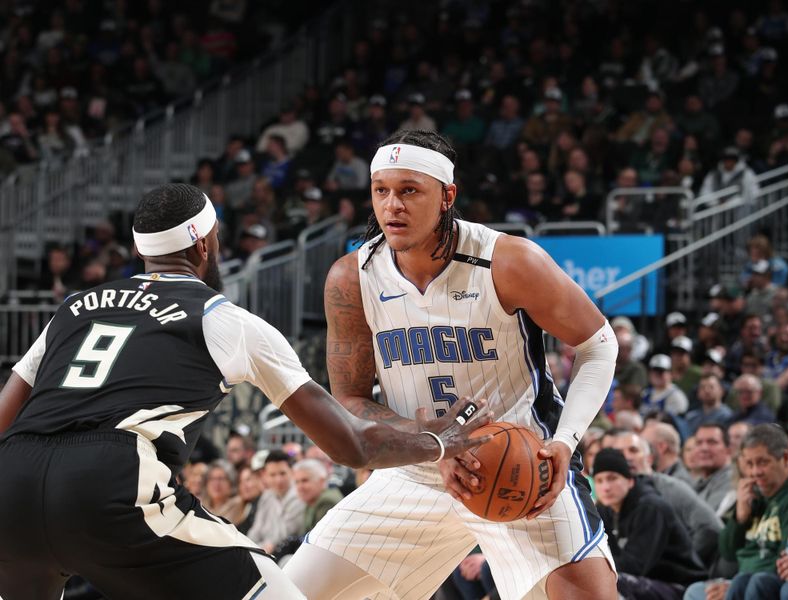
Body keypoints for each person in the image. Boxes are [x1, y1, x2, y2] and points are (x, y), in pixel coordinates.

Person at [0, 183, 491, 600]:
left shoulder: (73, 307)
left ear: (142, 252)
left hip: (12, 482)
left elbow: (5, 416)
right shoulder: (224, 319)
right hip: (110, 479)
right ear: (204, 246)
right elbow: (350, 446)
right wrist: (437, 440)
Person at [284, 130, 620, 600]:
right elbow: (350, 398)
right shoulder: (351, 278)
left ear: (447, 196)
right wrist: (428, 445)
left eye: (409, 190)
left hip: (521, 463)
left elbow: (599, 344)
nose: (392, 205)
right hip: (415, 471)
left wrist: (565, 441)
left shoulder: (509, 261)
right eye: (381, 190)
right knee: (288, 594)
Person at [683, 424, 788, 600]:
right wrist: (740, 518)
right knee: (696, 592)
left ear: (784, 458)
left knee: (754, 583)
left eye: (763, 462)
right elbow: (727, 551)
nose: (755, 472)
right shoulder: (754, 494)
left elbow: (784, 562)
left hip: (765, 582)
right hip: (742, 579)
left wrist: (733, 586)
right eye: (749, 464)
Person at [593, 448, 705, 600]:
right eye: (599, 481)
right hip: (646, 581)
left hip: (680, 586)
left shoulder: (651, 508)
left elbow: (634, 566)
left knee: (612, 581)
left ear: (630, 481)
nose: (605, 487)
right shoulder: (604, 510)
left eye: (612, 478)